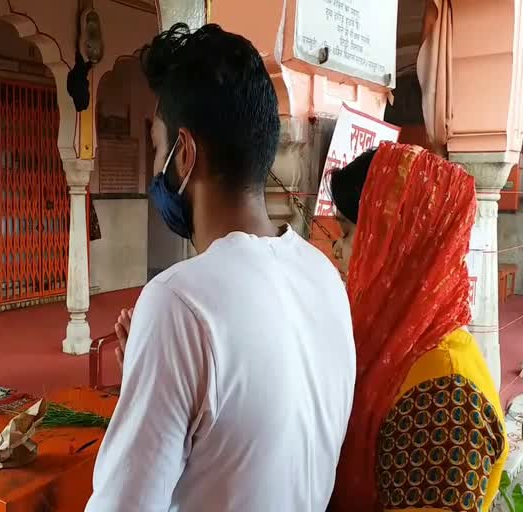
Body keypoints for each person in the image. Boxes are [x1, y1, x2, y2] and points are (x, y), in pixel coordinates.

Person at [85, 23, 356, 511]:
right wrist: (156, 380)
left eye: (156, 146)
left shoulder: (179, 302)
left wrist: (159, 364)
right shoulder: (323, 276)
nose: (156, 170)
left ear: (184, 154)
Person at [328, 142, 508, 511]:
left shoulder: (444, 395)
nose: (337, 250)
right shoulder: (401, 346)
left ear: (396, 244)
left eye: (348, 233)